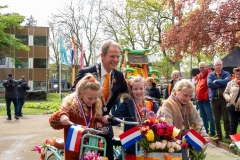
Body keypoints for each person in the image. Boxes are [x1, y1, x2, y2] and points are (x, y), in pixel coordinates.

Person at [71, 40, 128, 160]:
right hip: (86, 124)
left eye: (118, 56)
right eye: (112, 56)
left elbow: (128, 96)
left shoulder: (119, 75)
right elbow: (74, 95)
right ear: (102, 56)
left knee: (107, 156)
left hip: (105, 125)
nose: (116, 60)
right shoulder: (87, 72)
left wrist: (115, 117)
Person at [49, 74, 104, 160]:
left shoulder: (94, 105)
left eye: (95, 98)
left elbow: (97, 117)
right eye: (90, 98)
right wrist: (62, 116)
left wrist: (99, 121)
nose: (93, 101)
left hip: (89, 148)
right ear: (81, 93)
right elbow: (53, 122)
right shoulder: (71, 106)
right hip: (74, 149)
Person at [102, 76, 159, 159]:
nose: (138, 91)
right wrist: (109, 118)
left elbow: (159, 119)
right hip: (132, 140)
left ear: (144, 88)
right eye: (135, 89)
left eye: (141, 88)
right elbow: (117, 118)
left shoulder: (151, 104)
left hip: (149, 141)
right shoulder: (127, 104)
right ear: (131, 90)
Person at [157, 79, 210, 160]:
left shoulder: (189, 105)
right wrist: (175, 140)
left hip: (182, 143)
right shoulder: (168, 104)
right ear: (177, 91)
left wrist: (204, 135)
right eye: (185, 95)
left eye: (190, 96)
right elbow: (167, 126)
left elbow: (197, 121)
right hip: (168, 144)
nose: (188, 98)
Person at [207, 59, 230, 141]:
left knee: (226, 118)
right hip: (214, 99)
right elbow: (209, 84)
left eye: (220, 64)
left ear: (222, 66)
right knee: (216, 118)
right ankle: (219, 135)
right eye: (217, 65)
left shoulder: (226, 73)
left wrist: (216, 81)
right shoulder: (210, 75)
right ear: (214, 66)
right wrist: (221, 83)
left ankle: (228, 135)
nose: (218, 66)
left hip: (224, 99)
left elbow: (227, 82)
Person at [195, 62, 216, 137]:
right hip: (199, 99)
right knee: (203, 116)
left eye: (203, 67)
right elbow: (198, 86)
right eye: (200, 67)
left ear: (206, 67)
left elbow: (209, 87)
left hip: (206, 99)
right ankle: (205, 130)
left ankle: (213, 131)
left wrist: (206, 96)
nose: (201, 69)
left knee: (210, 115)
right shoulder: (199, 75)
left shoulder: (210, 75)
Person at [223, 67, 240, 147]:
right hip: (233, 107)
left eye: (239, 74)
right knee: (233, 124)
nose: (238, 76)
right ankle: (234, 141)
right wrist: (228, 97)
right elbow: (225, 93)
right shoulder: (230, 83)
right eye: (236, 74)